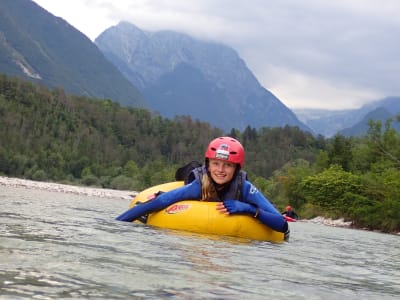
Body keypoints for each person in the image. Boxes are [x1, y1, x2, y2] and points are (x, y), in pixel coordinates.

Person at [116, 136, 289, 234]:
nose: (220, 170)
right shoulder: (198, 185)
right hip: (192, 175)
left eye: (228, 165)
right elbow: (158, 203)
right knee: (190, 169)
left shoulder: (244, 187)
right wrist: (115, 225)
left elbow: (282, 225)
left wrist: (248, 209)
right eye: (215, 164)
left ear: (236, 168)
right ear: (208, 164)